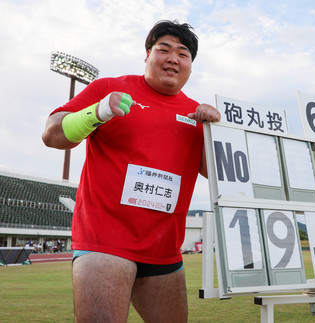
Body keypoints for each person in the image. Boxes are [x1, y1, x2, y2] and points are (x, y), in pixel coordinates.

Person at [42, 20, 220, 322]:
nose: (173, 58)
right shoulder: (110, 89)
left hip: (165, 251)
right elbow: (52, 134)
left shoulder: (197, 115)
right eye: (164, 49)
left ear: (190, 65)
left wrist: (218, 134)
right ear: (147, 55)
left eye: (183, 53)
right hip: (104, 243)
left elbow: (219, 177)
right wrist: (97, 112)